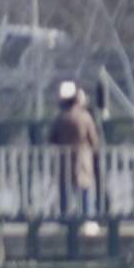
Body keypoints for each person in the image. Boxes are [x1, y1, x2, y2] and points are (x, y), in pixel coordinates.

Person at [44, 78, 103, 213]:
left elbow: (51, 138)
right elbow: (93, 139)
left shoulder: (60, 118)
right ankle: (86, 217)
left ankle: (65, 219)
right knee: (85, 191)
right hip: (83, 158)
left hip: (64, 160)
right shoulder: (85, 117)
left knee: (65, 191)